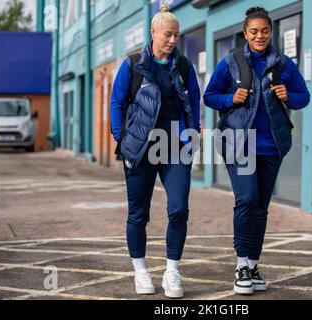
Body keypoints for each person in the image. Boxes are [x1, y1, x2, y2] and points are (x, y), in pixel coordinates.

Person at [203, 7, 310, 295]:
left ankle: (253, 264)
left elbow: (304, 97)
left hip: (271, 145)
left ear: (271, 32)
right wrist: (230, 98)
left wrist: (289, 95)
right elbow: (209, 96)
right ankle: (240, 266)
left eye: (264, 30)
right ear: (245, 33)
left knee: (261, 207)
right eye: (254, 31)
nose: (259, 35)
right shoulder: (231, 62)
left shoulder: (283, 63)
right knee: (247, 199)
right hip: (239, 143)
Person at [110, 5, 200, 299]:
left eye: (176, 35)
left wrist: (192, 136)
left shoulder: (184, 67)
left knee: (179, 209)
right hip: (140, 147)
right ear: (153, 33)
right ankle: (140, 271)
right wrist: (121, 138)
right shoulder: (132, 64)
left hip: (174, 148)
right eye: (167, 34)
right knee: (138, 214)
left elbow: (194, 104)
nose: (172, 40)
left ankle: (172, 270)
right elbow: (117, 103)